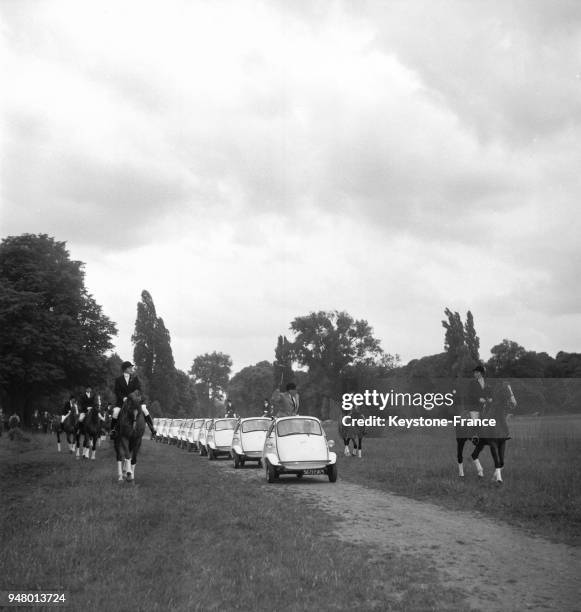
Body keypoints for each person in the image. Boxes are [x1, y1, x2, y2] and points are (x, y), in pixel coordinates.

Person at [110, 361, 156, 438]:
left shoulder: (135, 378)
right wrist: (123, 398)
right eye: (130, 368)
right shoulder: (118, 380)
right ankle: (113, 430)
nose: (132, 369)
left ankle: (152, 429)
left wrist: (134, 396)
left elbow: (138, 389)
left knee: (145, 410)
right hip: (122, 402)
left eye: (131, 367)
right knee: (115, 412)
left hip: (135, 402)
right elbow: (117, 391)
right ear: (125, 369)